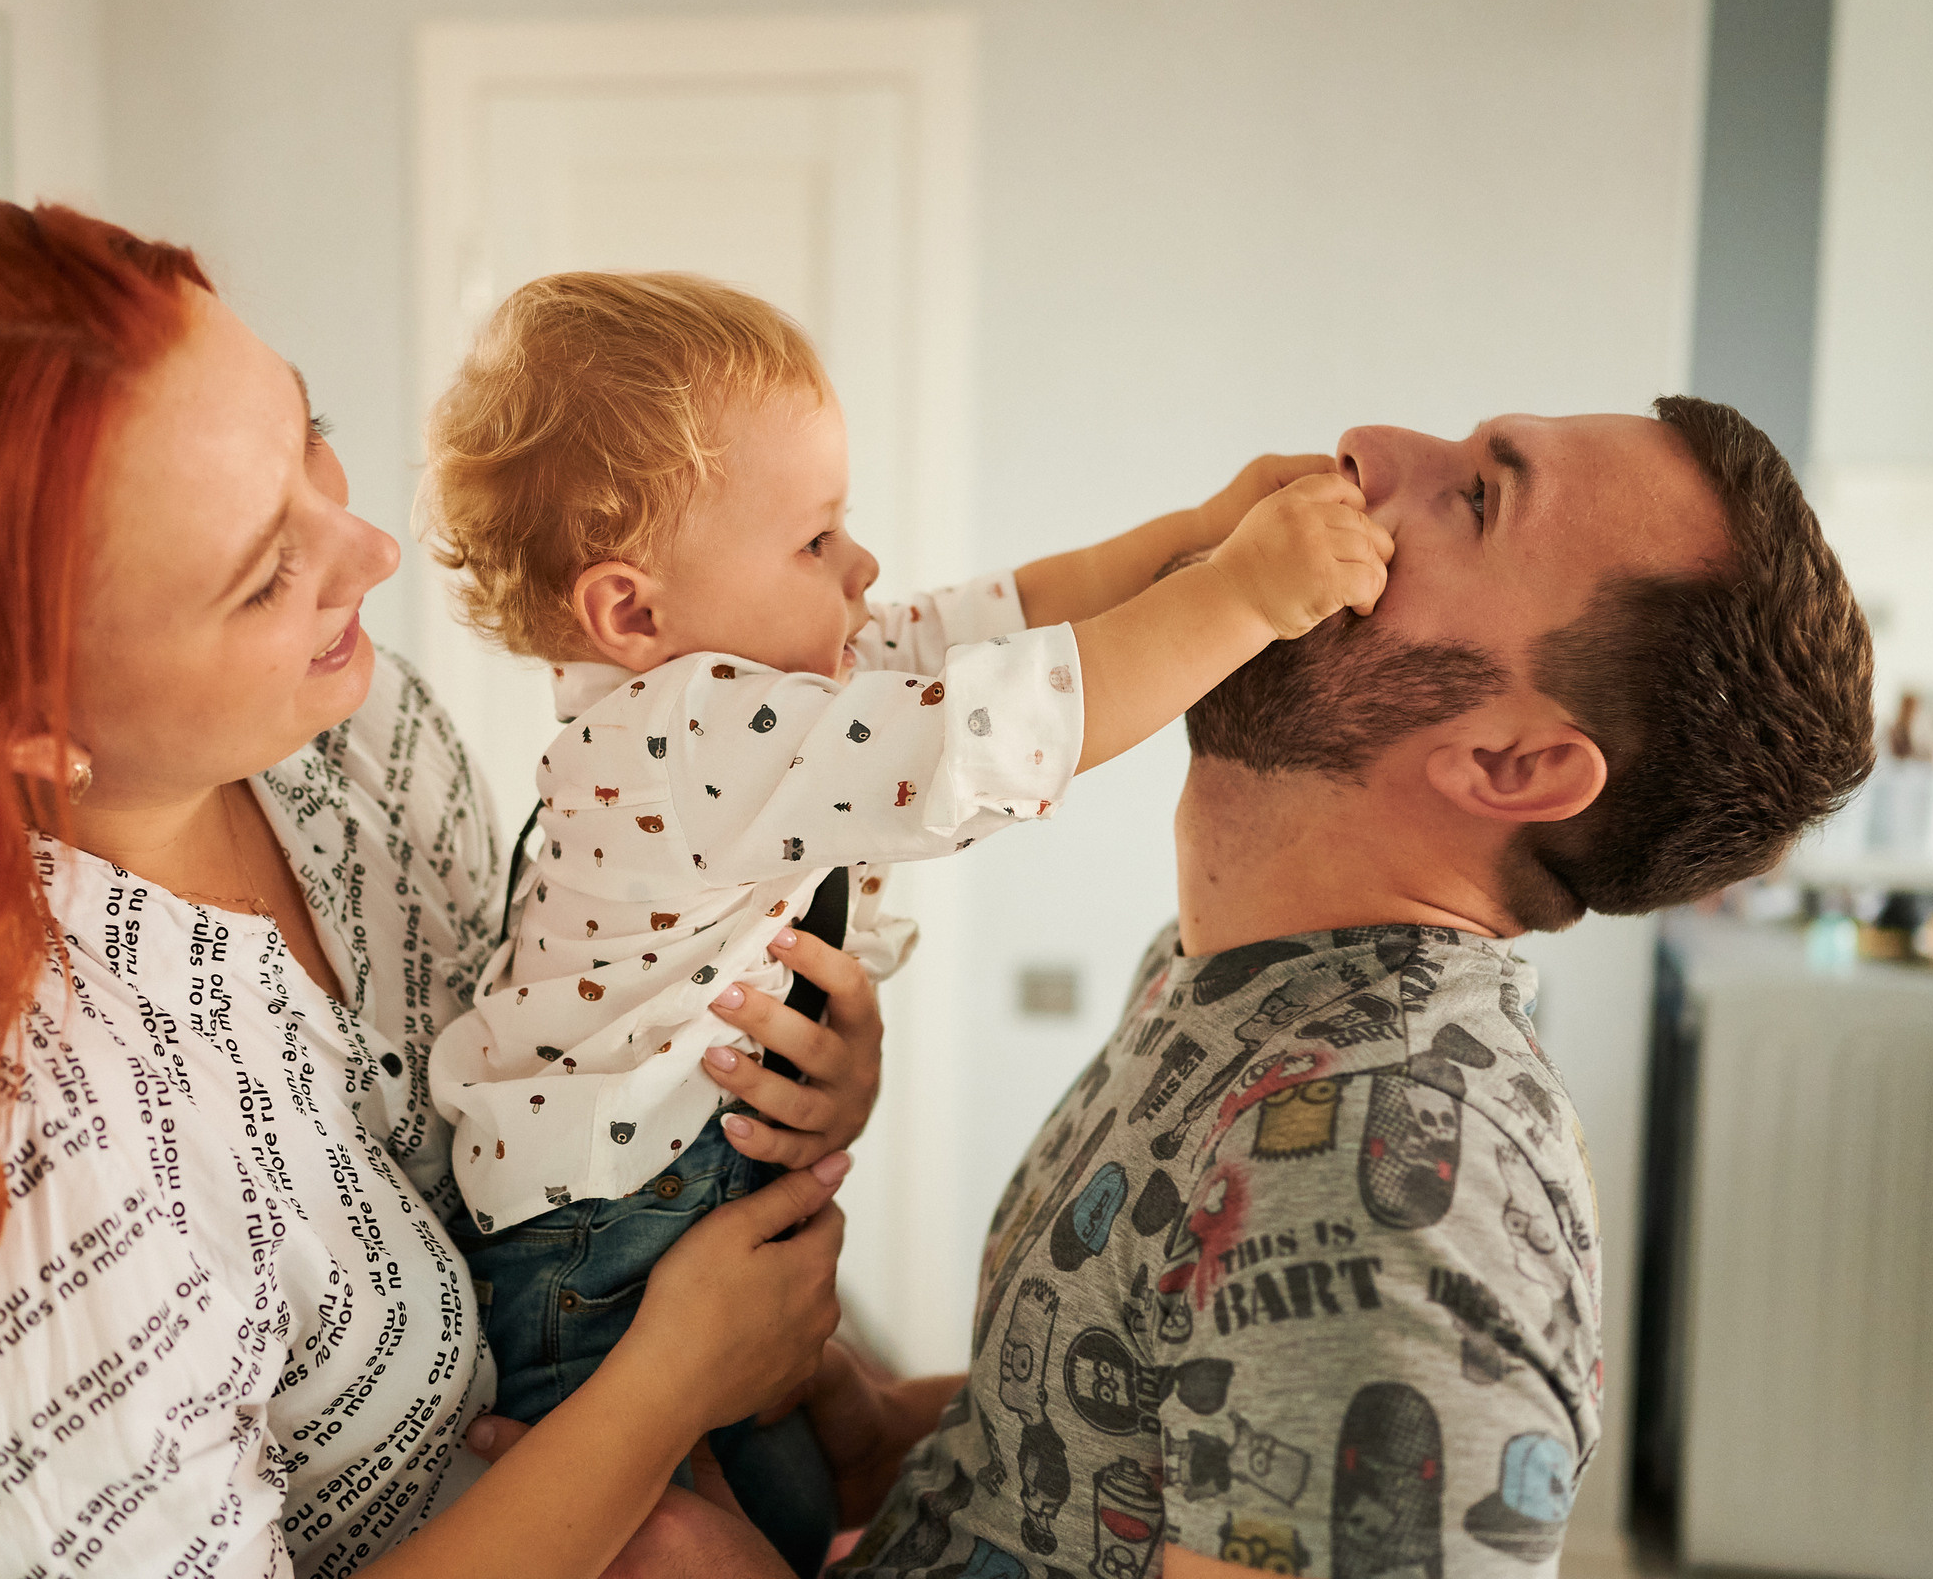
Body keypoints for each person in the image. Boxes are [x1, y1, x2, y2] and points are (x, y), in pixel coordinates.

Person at [0, 201, 884, 1579]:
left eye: (311, 435)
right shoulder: (19, 1182)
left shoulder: (355, 740)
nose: (371, 551)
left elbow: (547, 1042)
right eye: (264, 577)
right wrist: (664, 1392)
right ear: (27, 723)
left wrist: (751, 1073)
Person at [416, 271, 1392, 1570]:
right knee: (687, 1545)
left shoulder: (758, 683)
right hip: (602, 1256)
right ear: (633, 611)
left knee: (788, 1513)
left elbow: (1005, 616)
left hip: (656, 1208)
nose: (862, 567)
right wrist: (1247, 598)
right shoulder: (686, 732)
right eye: (816, 539)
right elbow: (995, 733)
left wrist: (1200, 536)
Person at [811, 399, 1876, 1579]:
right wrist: (879, 1430)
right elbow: (1121, 1433)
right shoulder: (1236, 981)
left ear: (1510, 764)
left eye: (1478, 499)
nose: (1367, 445)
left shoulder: (1392, 1181)